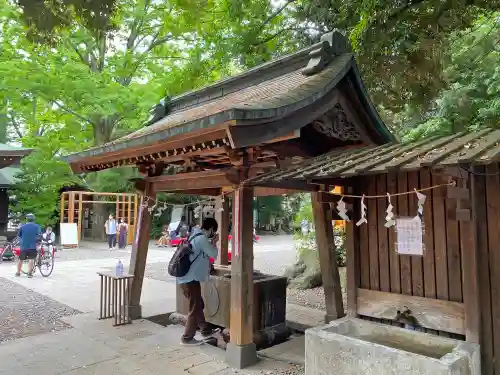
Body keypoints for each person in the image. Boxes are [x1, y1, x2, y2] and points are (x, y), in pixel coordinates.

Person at [177, 217, 219, 346]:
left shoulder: (194, 235)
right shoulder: (201, 239)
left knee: (198, 304)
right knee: (195, 307)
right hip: (190, 279)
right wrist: (215, 242)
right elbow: (213, 254)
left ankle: (205, 331)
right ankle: (187, 338)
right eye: (214, 231)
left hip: (184, 279)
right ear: (211, 229)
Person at [16, 213, 41, 278]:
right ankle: (29, 273)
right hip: (32, 246)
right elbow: (39, 235)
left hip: (24, 246)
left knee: (20, 259)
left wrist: (21, 241)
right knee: (31, 259)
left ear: (26, 219)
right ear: (33, 219)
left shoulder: (22, 226)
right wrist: (38, 244)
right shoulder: (36, 226)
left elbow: (18, 236)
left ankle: (18, 273)